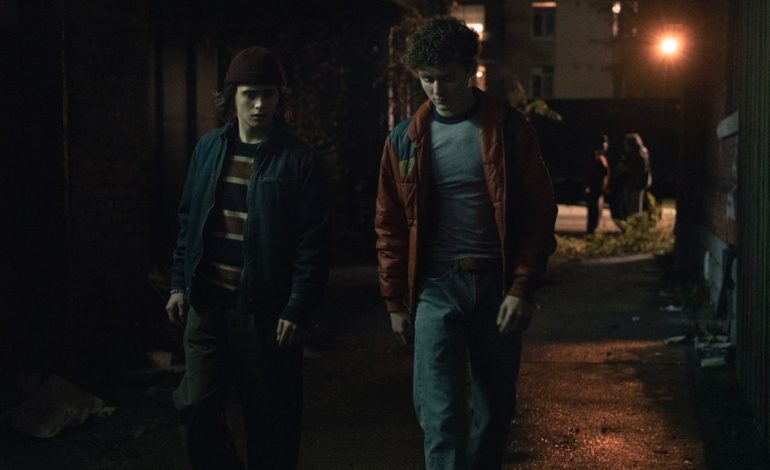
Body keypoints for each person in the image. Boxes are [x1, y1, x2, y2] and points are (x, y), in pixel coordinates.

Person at [374, 18, 557, 470]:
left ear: (471, 71)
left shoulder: (509, 130)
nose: (437, 89)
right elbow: (390, 226)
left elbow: (538, 213)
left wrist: (521, 288)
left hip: (495, 285)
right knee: (440, 418)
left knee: (494, 414)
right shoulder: (404, 141)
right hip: (436, 288)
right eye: (427, 78)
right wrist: (395, 301)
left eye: (448, 77)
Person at [165, 46, 330, 470]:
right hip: (208, 308)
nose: (259, 104)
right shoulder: (209, 148)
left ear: (279, 98)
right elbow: (188, 220)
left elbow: (312, 244)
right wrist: (179, 283)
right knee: (196, 409)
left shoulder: (299, 160)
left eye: (268, 94)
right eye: (249, 95)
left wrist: (297, 307)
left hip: (264, 314)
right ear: (231, 97)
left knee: (271, 426)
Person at [614, 132, 651, 221]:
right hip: (640, 183)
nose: (625, 147)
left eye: (627, 145)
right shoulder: (644, 152)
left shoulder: (635, 155)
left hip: (634, 184)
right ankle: (634, 224)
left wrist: (624, 167)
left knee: (633, 208)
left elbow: (630, 169)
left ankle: (634, 225)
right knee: (635, 207)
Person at [584, 134, 610, 234]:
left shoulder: (602, 157)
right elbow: (589, 172)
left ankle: (593, 231)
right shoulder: (595, 156)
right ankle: (591, 232)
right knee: (594, 211)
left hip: (600, 189)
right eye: (604, 143)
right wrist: (587, 185)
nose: (606, 146)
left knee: (597, 211)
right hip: (595, 187)